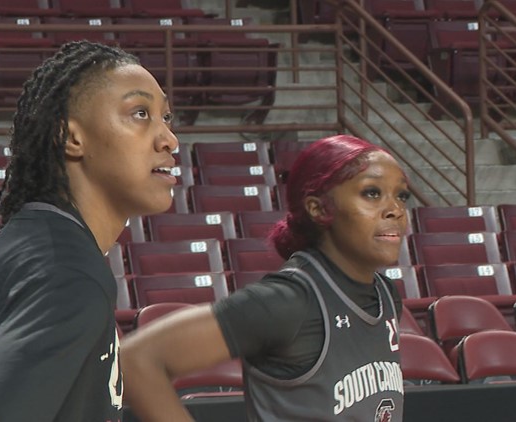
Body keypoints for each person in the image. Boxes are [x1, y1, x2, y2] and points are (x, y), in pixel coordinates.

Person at [0, 40, 178, 421]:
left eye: (166, 117)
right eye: (139, 113)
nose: (169, 139)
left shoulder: (40, 242)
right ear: (71, 137)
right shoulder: (65, 274)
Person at [121, 135, 408, 421]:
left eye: (401, 195)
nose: (395, 209)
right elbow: (135, 360)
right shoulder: (288, 301)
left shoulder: (385, 293)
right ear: (319, 208)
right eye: (371, 193)